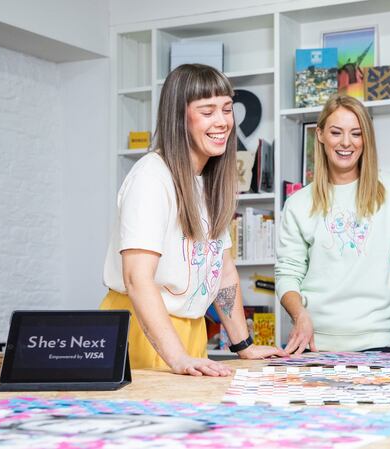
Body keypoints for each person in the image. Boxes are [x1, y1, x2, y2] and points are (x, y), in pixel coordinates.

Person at [101, 64, 286, 376]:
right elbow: (137, 278)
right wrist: (178, 358)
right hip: (141, 329)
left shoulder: (207, 182)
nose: (223, 121)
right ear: (179, 117)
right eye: (207, 111)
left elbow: (223, 272)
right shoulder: (152, 177)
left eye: (227, 109)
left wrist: (244, 346)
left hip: (190, 331)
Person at [275, 94, 390, 355]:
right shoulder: (297, 204)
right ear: (319, 135)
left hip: (376, 343)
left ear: (366, 138)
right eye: (336, 132)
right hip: (313, 344)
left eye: (356, 133)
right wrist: (299, 315)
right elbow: (288, 273)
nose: (346, 143)